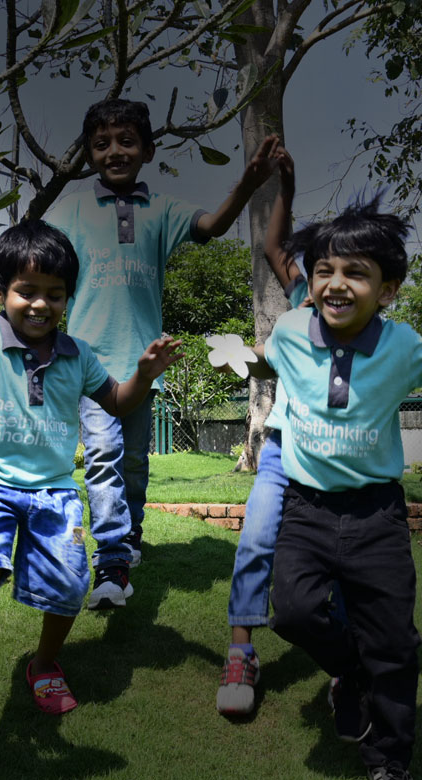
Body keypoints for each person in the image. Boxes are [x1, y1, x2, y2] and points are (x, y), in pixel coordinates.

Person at [0, 221, 183, 742]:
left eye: (55, 293)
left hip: (54, 489)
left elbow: (118, 402)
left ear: (69, 296)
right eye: (27, 291)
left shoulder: (79, 354)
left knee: (69, 585)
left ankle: (43, 664)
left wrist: (143, 375)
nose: (41, 304)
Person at [47, 97, 281, 609]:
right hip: (90, 365)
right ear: (89, 154)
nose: (114, 151)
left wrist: (246, 184)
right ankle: (111, 562)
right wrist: (3, 275)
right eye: (102, 144)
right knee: (103, 458)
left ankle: (130, 532)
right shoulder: (69, 212)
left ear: (148, 150)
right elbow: (36, 255)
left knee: (134, 462)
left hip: (144, 365)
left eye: (126, 141)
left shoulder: (162, 209)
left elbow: (212, 226)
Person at [216, 196, 419, 780]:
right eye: (325, 270)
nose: (336, 283)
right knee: (294, 613)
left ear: (387, 290)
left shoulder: (404, 347)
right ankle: (350, 669)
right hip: (307, 509)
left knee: (393, 643)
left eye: (356, 272)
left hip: (376, 515)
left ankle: (388, 760)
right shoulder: (290, 330)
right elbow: (270, 358)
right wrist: (241, 356)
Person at [217, 147, 308, 714]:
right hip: (279, 450)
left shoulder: (365, 328)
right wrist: (286, 189)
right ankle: (241, 653)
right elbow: (275, 248)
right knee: (255, 540)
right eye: (321, 271)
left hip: (334, 461)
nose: (330, 284)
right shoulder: (304, 299)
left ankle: (346, 662)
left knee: (340, 563)